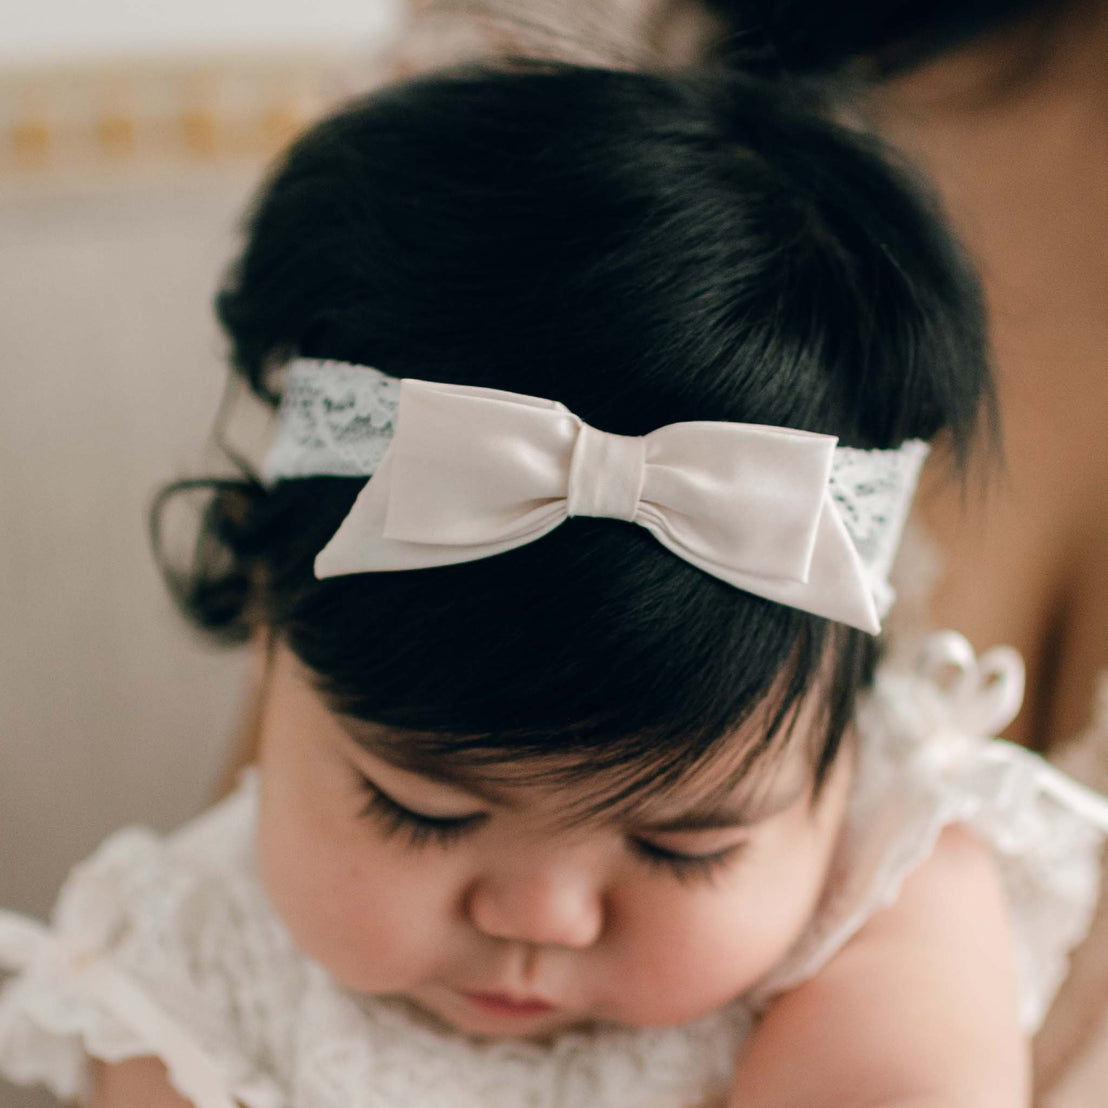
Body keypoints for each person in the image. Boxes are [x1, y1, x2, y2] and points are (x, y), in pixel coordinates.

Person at [1, 61, 1107, 1108]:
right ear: (265, 633)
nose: (541, 917)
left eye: (686, 845)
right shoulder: (187, 952)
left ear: (847, 733)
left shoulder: (883, 887)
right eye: (423, 809)